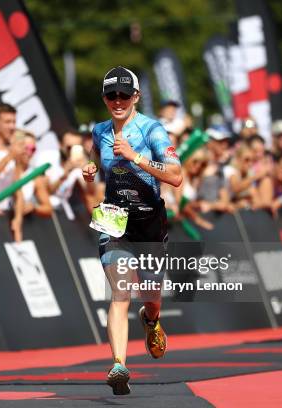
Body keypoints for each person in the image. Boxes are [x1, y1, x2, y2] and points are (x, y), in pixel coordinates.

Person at [82, 66, 182, 395]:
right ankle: (119, 365)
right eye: (112, 96)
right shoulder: (99, 130)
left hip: (149, 222)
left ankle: (151, 319)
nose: (118, 101)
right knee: (120, 292)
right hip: (114, 219)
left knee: (151, 297)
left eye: (125, 95)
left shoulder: (152, 130)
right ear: (105, 98)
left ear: (136, 97)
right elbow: (96, 153)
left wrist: (135, 157)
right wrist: (92, 166)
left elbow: (175, 175)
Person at [11, 131, 53, 241]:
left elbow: (48, 208)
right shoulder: (7, 168)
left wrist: (34, 207)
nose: (29, 153)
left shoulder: (34, 175)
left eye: (33, 149)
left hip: (18, 227)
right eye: (26, 148)